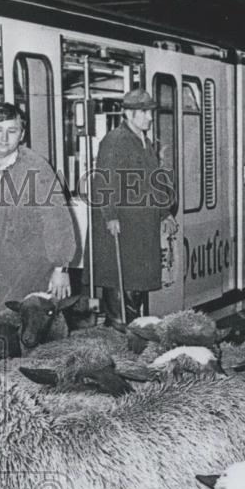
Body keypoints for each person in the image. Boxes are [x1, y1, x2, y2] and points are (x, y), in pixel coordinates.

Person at [0, 103, 76, 325]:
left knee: (20, 335)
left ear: (22, 134)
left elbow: (57, 220)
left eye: (12, 131)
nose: (4, 138)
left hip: (26, 271)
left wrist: (61, 267)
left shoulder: (37, 169)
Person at [91, 89, 177, 328]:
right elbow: (104, 181)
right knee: (123, 287)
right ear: (128, 113)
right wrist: (110, 216)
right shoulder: (115, 140)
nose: (150, 117)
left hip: (141, 228)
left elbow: (154, 181)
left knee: (136, 287)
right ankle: (118, 334)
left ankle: (130, 334)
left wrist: (164, 212)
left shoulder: (145, 142)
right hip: (123, 227)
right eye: (144, 112)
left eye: (150, 112)